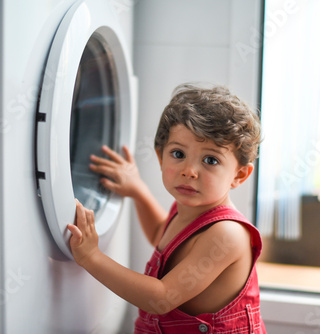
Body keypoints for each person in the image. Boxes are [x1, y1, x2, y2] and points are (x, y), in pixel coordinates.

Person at [67, 83, 266, 333]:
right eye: (178, 153)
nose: (189, 171)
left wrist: (91, 257)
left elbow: (161, 299)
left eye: (210, 160)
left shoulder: (226, 234)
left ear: (239, 175)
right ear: (160, 156)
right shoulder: (186, 208)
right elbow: (161, 234)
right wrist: (138, 191)